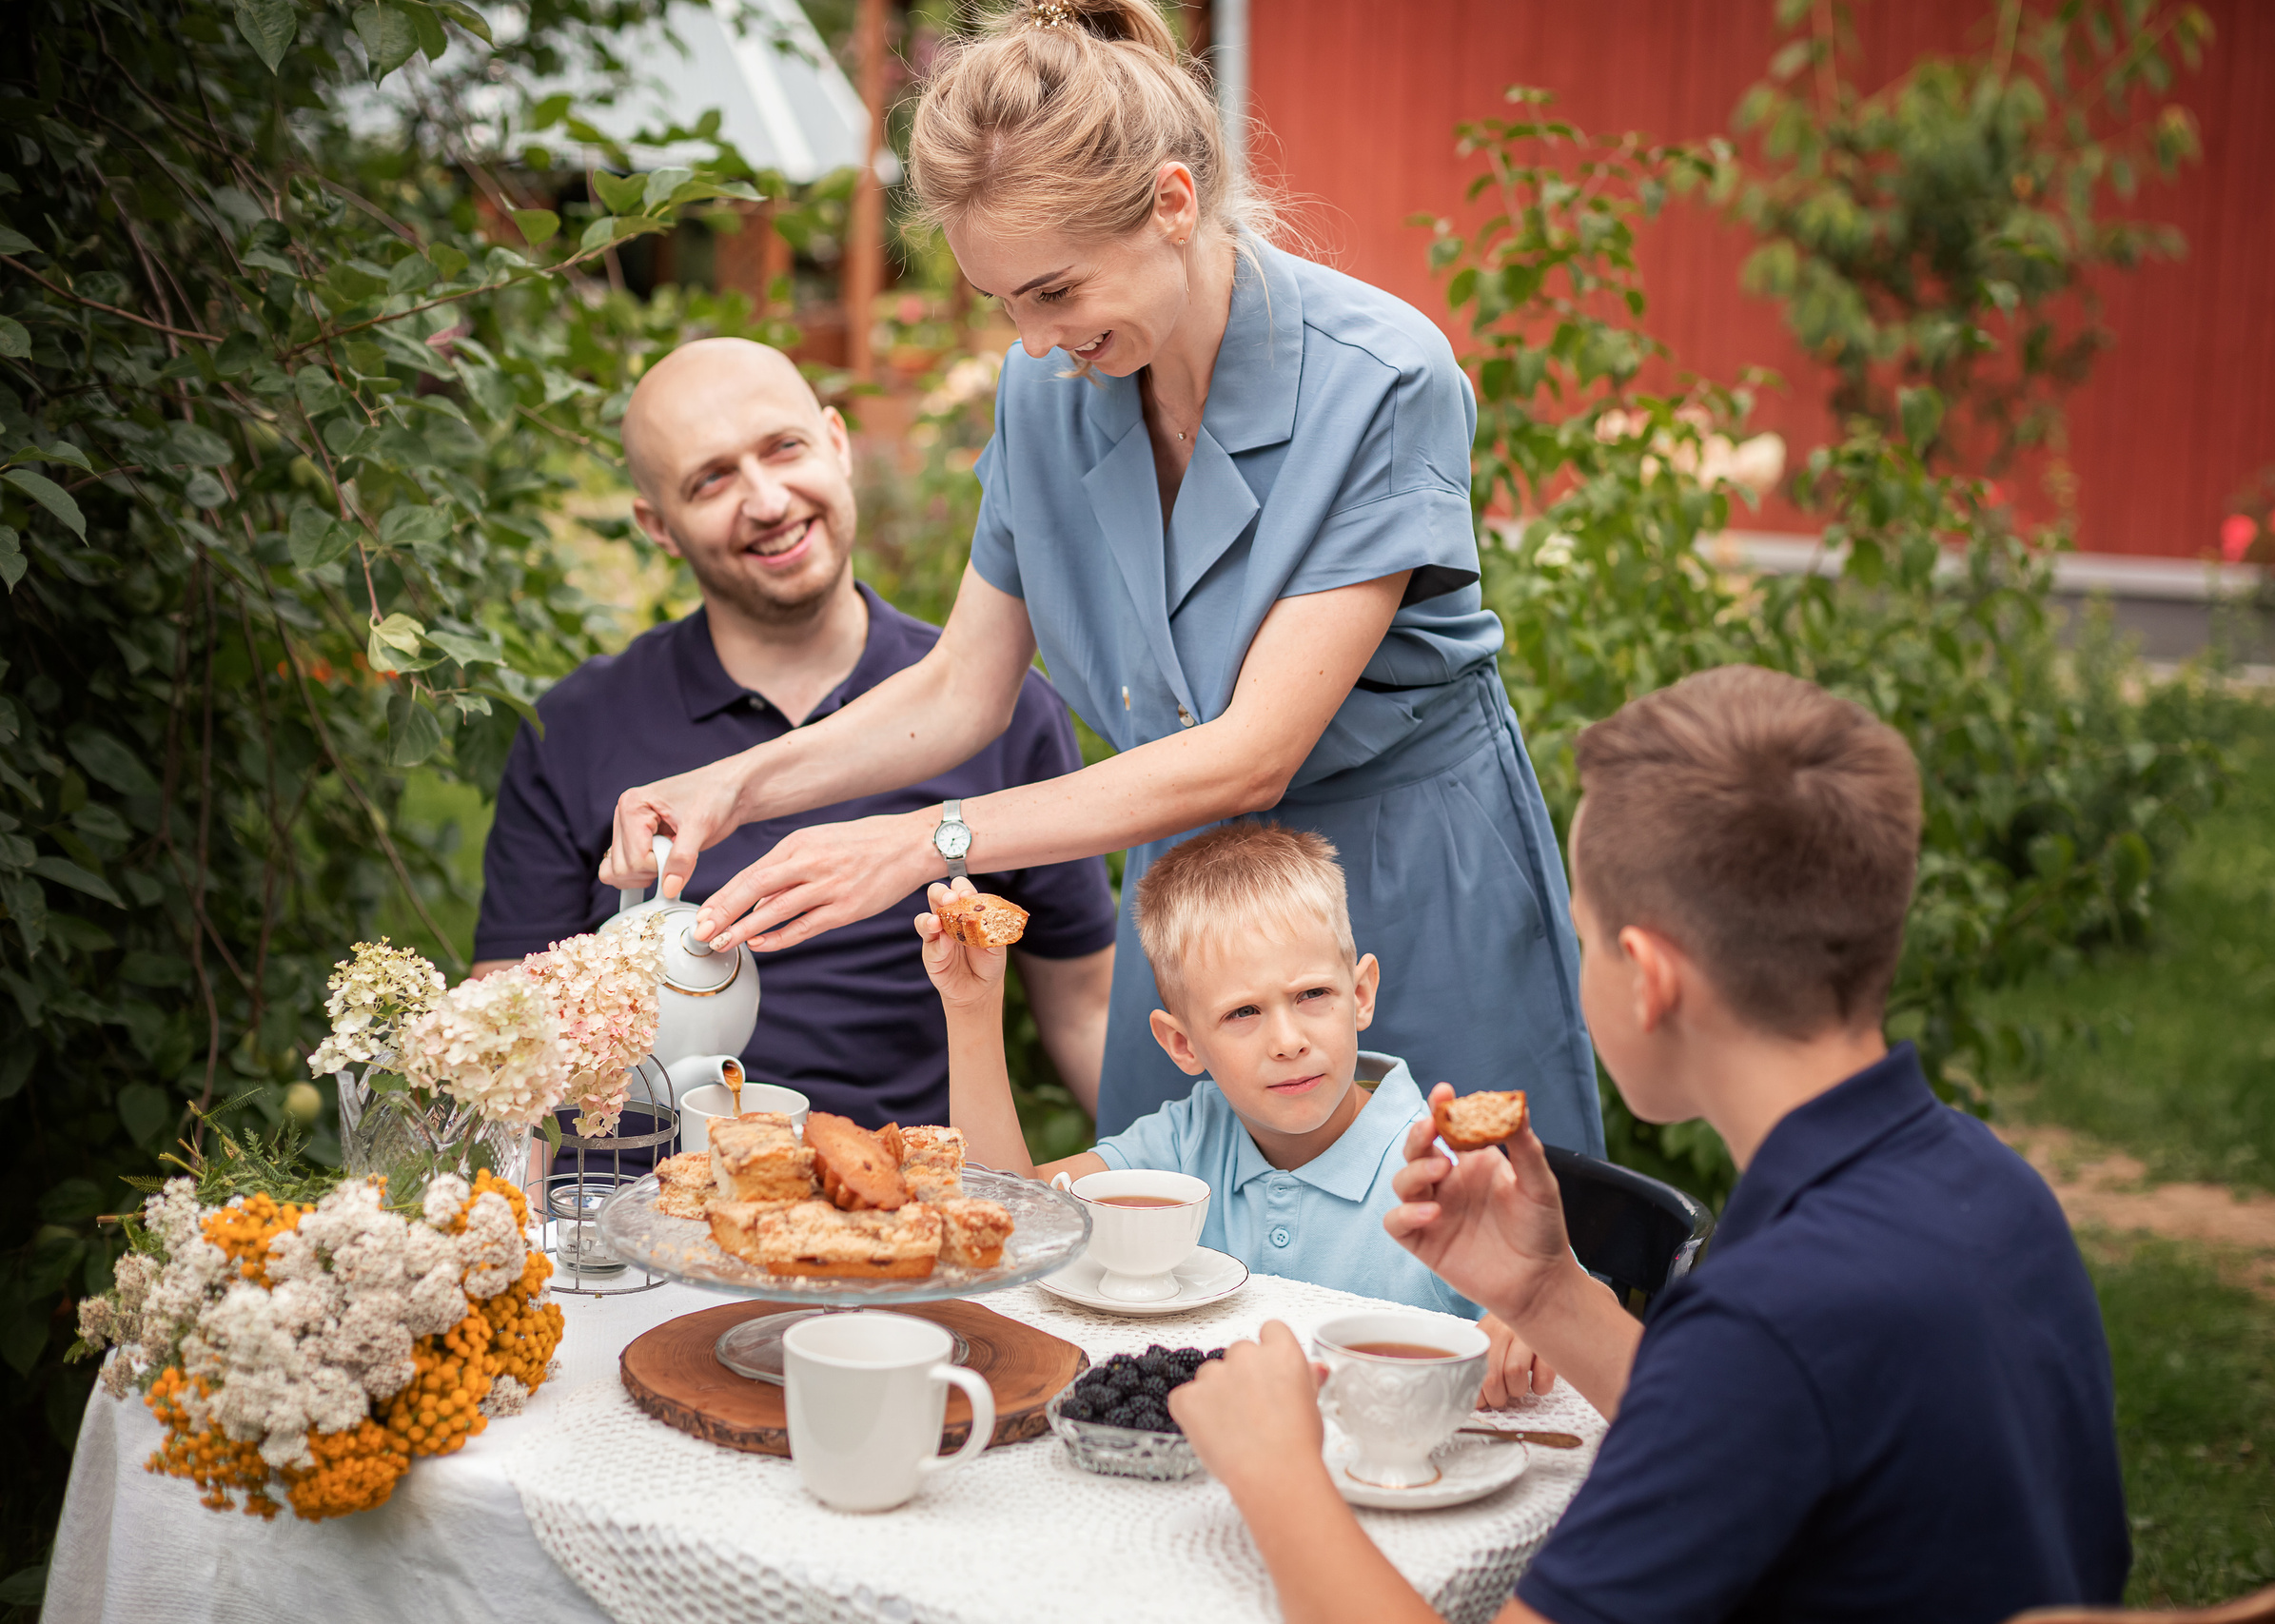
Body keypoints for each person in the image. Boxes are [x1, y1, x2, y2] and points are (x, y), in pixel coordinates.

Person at [593, 0, 1603, 1155]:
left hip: (1399, 889)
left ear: (1174, 204)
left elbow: (1251, 751)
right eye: (1002, 302)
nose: (1029, 342)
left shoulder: (1384, 377)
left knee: (1448, 1286)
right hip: (1187, 899)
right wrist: (739, 785)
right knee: (1178, 1292)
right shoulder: (1050, 387)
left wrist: (926, 842)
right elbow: (959, 689)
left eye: (1056, 292)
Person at [1167, 666, 2131, 1624]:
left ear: (1647, 979)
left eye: (1580, 938)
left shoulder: (1774, 1320)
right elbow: (1749, 1422)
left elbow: (1754, 1375)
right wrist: (1547, 1293)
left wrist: (1276, 1475)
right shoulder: (1988, 1185)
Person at [471, 339, 1117, 1128]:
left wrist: (1170, 1203)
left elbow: (1088, 1010)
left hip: (896, 1202)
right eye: (710, 480)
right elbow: (504, 1034)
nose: (769, 501)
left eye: (785, 448)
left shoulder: (1003, 705)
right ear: (658, 525)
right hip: (629, 1210)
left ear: (838, 445)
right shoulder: (575, 727)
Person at [917, 825, 1476, 1321]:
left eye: (1312, 995)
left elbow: (1551, 1307)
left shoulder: (1447, 1176)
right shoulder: (1184, 1144)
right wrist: (972, 1010)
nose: (1288, 1042)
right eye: (1243, 1013)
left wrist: (1522, 1325)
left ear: (1360, 995)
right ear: (1182, 1044)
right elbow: (1004, 1222)